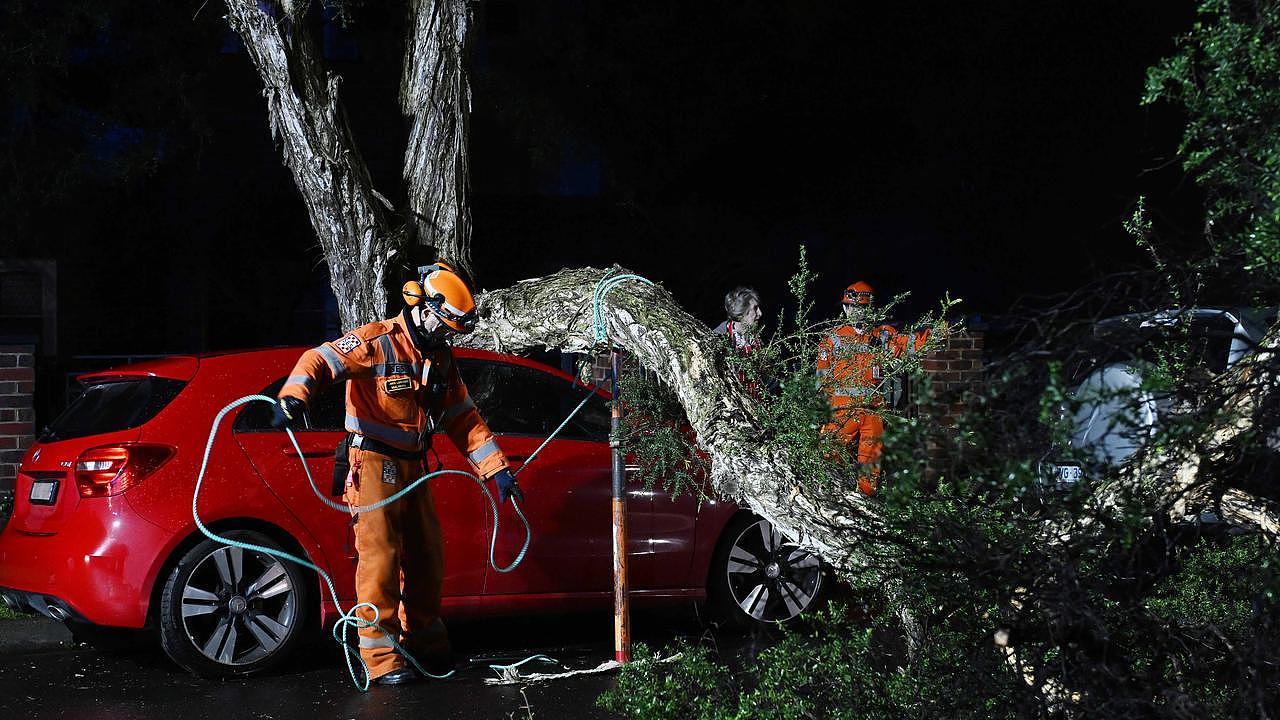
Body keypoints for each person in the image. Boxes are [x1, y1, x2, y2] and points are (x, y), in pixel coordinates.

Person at [270, 262, 521, 686]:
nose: (445, 336)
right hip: (371, 463)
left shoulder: (439, 358)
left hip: (413, 466)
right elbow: (320, 359)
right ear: (423, 307)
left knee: (427, 556)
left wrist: (496, 470)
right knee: (380, 560)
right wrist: (293, 397)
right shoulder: (376, 342)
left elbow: (462, 417)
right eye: (442, 326)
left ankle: (424, 646)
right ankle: (382, 660)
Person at [817, 280, 929, 494]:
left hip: (874, 409)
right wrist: (825, 411)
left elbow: (911, 344)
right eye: (852, 307)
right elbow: (822, 379)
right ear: (844, 308)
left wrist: (936, 335)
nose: (855, 312)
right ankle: (832, 498)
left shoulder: (883, 335)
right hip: (842, 409)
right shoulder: (832, 339)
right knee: (829, 458)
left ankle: (865, 505)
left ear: (870, 308)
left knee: (870, 467)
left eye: (860, 308)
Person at [713, 286, 763, 353]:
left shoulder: (755, 338)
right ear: (741, 313)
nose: (760, 313)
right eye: (755, 308)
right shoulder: (719, 337)